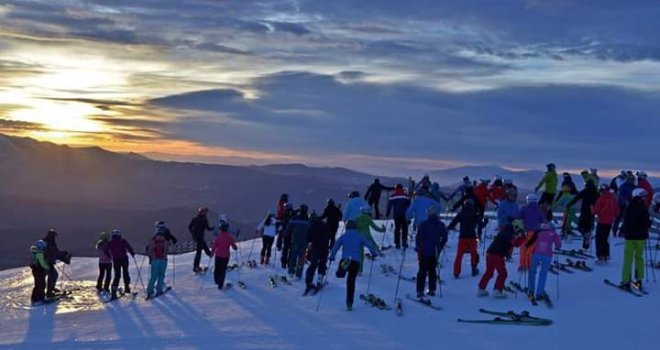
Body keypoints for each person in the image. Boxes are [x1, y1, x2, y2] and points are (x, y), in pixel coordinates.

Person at [329, 220, 380, 311]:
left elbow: (336, 246)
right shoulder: (360, 236)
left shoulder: (344, 236)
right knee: (351, 281)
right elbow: (368, 244)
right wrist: (373, 253)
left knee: (339, 274)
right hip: (356, 261)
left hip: (345, 258)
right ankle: (349, 304)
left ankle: (342, 268)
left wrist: (332, 256)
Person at [478, 223, 525, 298]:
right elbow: (516, 243)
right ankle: (497, 290)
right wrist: (522, 237)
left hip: (490, 253)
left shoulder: (503, 232)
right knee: (503, 273)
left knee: (489, 272)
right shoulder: (509, 235)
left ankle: (481, 288)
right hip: (497, 255)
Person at [619, 188, 651, 290]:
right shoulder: (643, 208)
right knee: (639, 258)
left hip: (630, 237)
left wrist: (623, 230)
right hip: (640, 237)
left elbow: (626, 220)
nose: (645, 198)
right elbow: (646, 222)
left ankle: (625, 280)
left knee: (628, 259)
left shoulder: (629, 207)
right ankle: (639, 279)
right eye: (643, 196)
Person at [415, 205, 447, 297]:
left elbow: (418, 238)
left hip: (424, 251)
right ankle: (432, 289)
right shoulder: (440, 225)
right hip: (435, 252)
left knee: (422, 271)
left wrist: (418, 247)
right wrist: (440, 246)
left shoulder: (423, 224)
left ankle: (420, 291)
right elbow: (444, 237)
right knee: (432, 271)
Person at [526, 223, 561, 302]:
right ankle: (539, 292)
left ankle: (530, 290)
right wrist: (557, 248)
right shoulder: (553, 233)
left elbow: (531, 241)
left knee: (532, 271)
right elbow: (558, 244)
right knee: (543, 273)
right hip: (547, 255)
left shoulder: (538, 232)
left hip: (536, 254)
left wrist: (527, 245)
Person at [448, 198, 480, 278]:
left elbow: (453, 223)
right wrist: (485, 222)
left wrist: (447, 228)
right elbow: (480, 224)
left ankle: (456, 272)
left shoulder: (461, 214)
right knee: (473, 253)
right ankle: (474, 269)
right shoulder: (474, 214)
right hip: (472, 237)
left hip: (462, 237)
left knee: (459, 255)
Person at [567, 179, 600, 250]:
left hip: (584, 211)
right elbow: (600, 202)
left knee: (580, 227)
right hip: (592, 213)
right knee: (588, 228)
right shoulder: (596, 193)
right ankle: (586, 245)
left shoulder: (585, 191)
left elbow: (577, 198)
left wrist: (569, 204)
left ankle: (585, 235)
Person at [515, 194, 544, 271]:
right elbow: (542, 220)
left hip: (525, 232)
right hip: (535, 233)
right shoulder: (539, 209)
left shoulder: (524, 208)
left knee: (523, 248)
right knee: (531, 249)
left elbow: (517, 218)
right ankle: (529, 265)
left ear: (528, 200)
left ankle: (523, 265)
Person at [591, 184, 620, 264]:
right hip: (609, 222)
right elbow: (617, 211)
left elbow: (595, 211)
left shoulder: (601, 198)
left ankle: (600, 256)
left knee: (599, 239)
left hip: (601, 221)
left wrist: (592, 209)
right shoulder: (613, 198)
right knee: (605, 239)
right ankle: (606, 255)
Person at [304, 213, 331, 294]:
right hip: (325, 246)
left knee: (313, 264)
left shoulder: (311, 225)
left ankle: (309, 282)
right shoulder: (324, 224)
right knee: (322, 263)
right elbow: (329, 235)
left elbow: (308, 237)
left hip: (316, 247)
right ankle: (319, 280)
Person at [105, 229, 136, 299]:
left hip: (116, 260)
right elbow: (129, 247)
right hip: (124, 259)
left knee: (117, 275)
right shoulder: (122, 240)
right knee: (125, 272)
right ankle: (127, 288)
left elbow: (105, 250)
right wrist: (132, 253)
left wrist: (110, 256)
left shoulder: (110, 242)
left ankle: (113, 290)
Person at [42, 229, 71, 298]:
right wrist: (63, 255)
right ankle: (49, 292)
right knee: (52, 276)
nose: (54, 237)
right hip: (46, 263)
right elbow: (54, 253)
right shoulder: (48, 243)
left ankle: (50, 289)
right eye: (54, 236)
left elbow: (56, 252)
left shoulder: (50, 242)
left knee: (53, 275)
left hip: (49, 262)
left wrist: (63, 255)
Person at [286, 205, 311, 278]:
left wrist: (286, 234)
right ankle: (298, 273)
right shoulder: (308, 220)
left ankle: (291, 272)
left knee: (293, 256)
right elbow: (311, 230)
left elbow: (288, 228)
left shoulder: (295, 218)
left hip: (295, 240)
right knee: (301, 258)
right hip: (304, 242)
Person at [211, 221, 238, 290]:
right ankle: (220, 284)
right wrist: (236, 247)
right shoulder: (229, 237)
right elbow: (234, 247)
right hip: (225, 256)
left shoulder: (218, 237)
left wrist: (212, 253)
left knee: (217, 268)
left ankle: (216, 281)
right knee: (223, 270)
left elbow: (214, 246)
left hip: (218, 256)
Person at [188, 207, 214, 273]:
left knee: (203, 246)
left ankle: (209, 254)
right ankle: (196, 267)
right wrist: (213, 228)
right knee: (199, 251)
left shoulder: (194, 219)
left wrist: (192, 233)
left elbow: (189, 227)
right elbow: (208, 228)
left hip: (195, 237)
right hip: (200, 237)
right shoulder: (204, 220)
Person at [386, 184, 411, 249]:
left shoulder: (393, 196)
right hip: (404, 214)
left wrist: (387, 213)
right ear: (402, 188)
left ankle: (397, 243)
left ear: (396, 188)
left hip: (396, 214)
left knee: (397, 228)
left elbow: (389, 205)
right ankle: (404, 242)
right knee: (404, 228)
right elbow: (409, 204)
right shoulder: (405, 195)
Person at [145, 233, 170, 298]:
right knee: (161, 275)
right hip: (163, 260)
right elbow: (167, 250)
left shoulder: (152, 242)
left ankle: (149, 291)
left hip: (155, 260)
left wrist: (150, 258)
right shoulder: (165, 242)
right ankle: (159, 290)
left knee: (153, 276)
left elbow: (149, 251)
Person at [278, 203, 295, 268]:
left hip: (286, 234)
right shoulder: (293, 215)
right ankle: (289, 262)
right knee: (291, 249)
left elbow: (283, 224)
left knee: (285, 249)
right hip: (292, 235)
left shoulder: (285, 215)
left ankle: (283, 263)